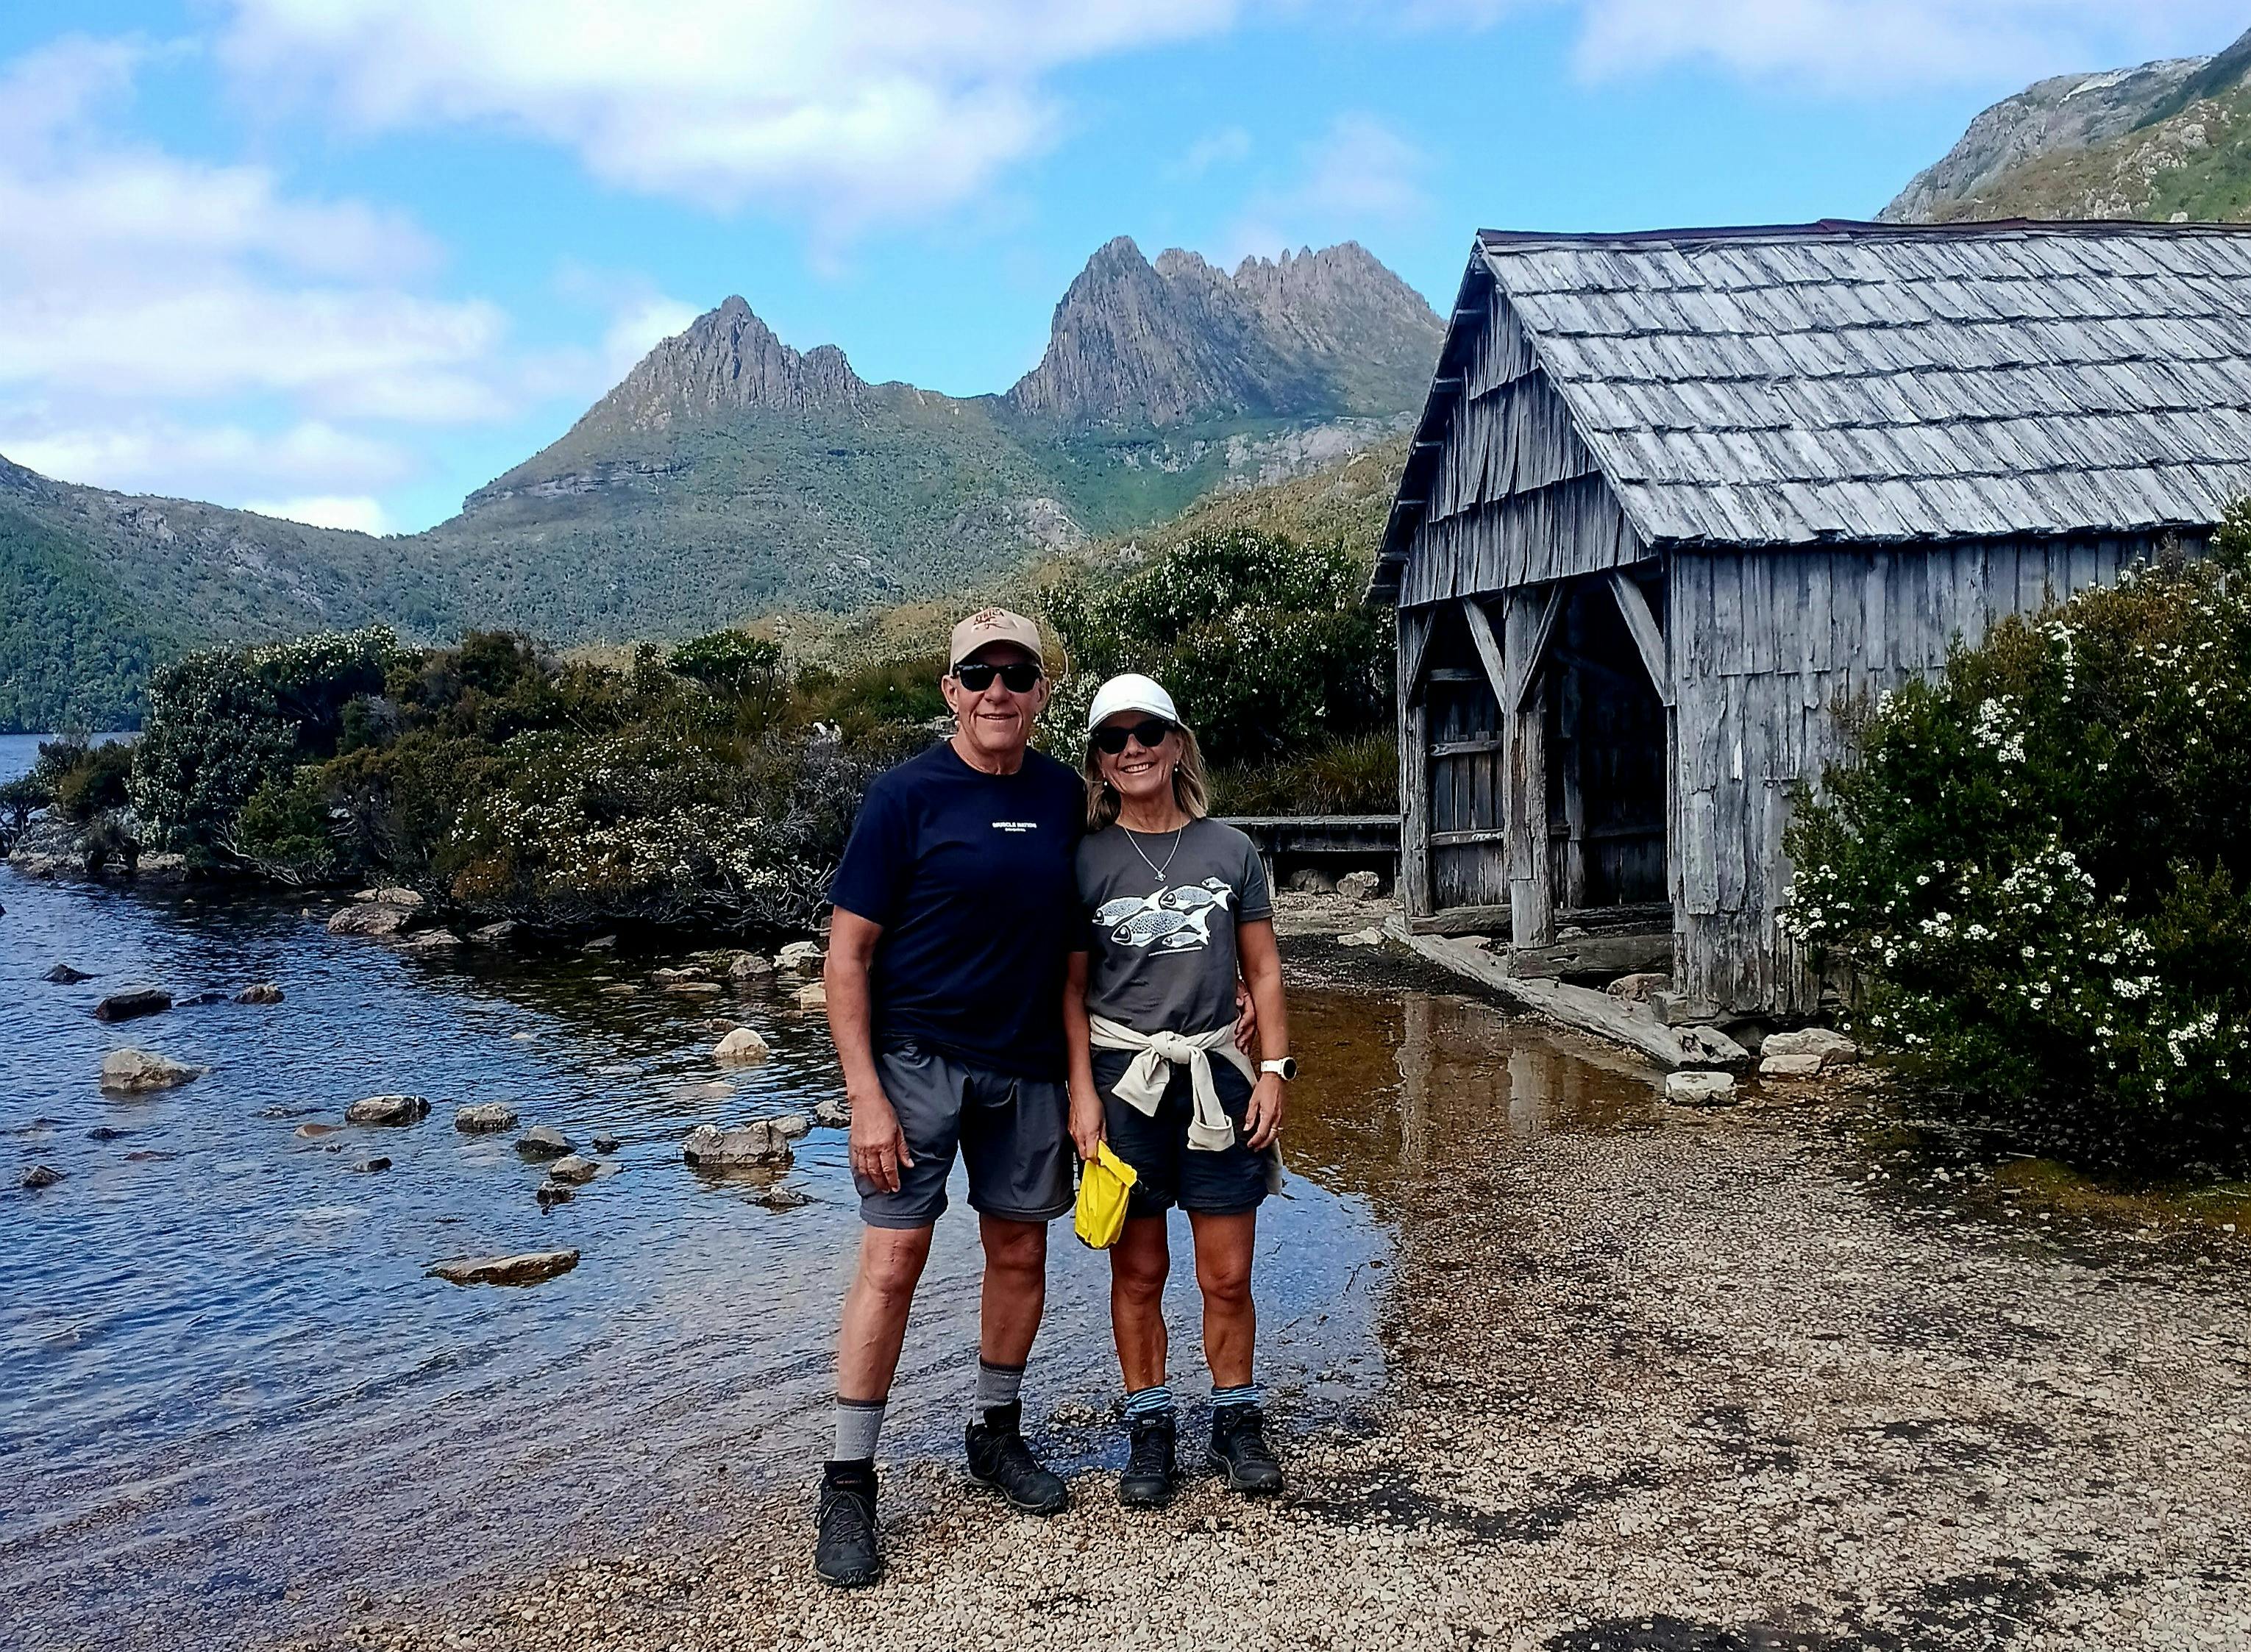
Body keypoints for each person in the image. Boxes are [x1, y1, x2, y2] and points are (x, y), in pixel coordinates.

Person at [813, 607, 1084, 1589]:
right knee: (892, 1259)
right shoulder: (906, 795)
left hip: (1029, 1069)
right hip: (916, 1063)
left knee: (1020, 1247)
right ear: (951, 692)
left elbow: (1094, 928)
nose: (999, 692)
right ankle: (848, 1483)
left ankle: (995, 1434)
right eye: (981, 675)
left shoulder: (1064, 795)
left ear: (1043, 692)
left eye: (1018, 674)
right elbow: (848, 954)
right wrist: (863, 1092)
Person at [1063, 672, 1294, 1509]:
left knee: (1227, 1274)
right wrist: (1081, 1096)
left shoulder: (1230, 850)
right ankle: (1151, 1426)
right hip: (1124, 1089)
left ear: (1176, 742)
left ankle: (1237, 1420)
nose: (1133, 749)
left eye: (1147, 732)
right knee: (1139, 1271)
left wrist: (1274, 1069)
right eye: (1115, 738)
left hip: (1219, 1083)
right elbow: (1070, 991)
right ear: (1097, 760)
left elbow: (1263, 971)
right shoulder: (1084, 858)